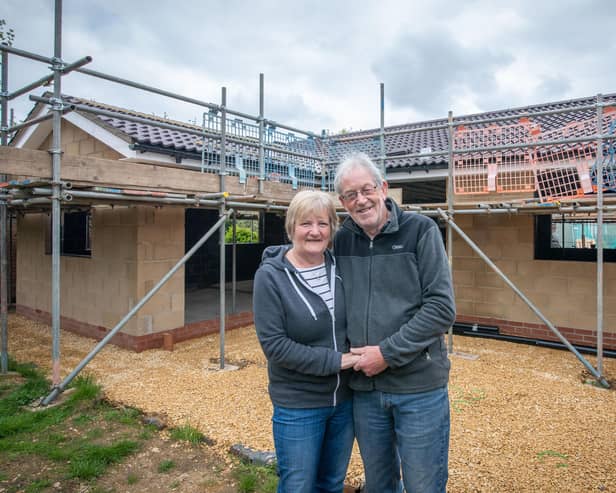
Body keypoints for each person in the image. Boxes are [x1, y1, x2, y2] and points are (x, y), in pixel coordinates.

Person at [333, 153, 456, 493]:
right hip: (366, 391)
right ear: (342, 202)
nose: (360, 200)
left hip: (418, 388)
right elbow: (302, 247)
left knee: (424, 484)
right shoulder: (342, 240)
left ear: (384, 188)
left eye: (366, 189)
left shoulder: (421, 231)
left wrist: (386, 353)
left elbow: (441, 307)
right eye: (350, 195)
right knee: (380, 484)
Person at [253, 190, 358, 493]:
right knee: (298, 485)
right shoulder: (270, 277)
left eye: (323, 224)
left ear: (332, 229)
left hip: (344, 401)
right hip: (299, 404)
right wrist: (340, 361)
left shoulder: (340, 268)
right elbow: (276, 346)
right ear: (291, 229)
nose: (315, 231)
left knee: (331, 483)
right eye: (305, 224)